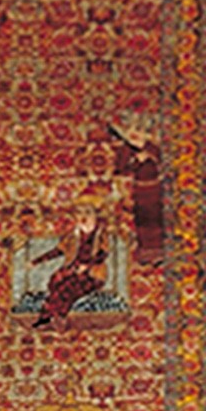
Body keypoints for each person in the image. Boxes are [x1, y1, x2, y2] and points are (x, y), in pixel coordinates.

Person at [30, 189, 112, 329]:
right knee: (55, 283)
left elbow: (103, 254)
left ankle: (58, 316)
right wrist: (36, 261)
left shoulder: (100, 233)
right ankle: (47, 316)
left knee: (67, 288)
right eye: (79, 213)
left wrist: (87, 266)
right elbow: (58, 250)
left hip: (92, 274)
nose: (83, 217)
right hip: (73, 270)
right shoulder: (73, 234)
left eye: (88, 212)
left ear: (95, 215)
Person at [107, 119, 164, 265]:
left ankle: (158, 253)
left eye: (139, 130)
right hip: (139, 190)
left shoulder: (152, 147)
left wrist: (147, 155)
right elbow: (120, 168)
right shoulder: (128, 149)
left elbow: (163, 163)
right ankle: (145, 254)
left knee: (154, 220)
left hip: (155, 190)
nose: (136, 134)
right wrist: (132, 158)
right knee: (141, 221)